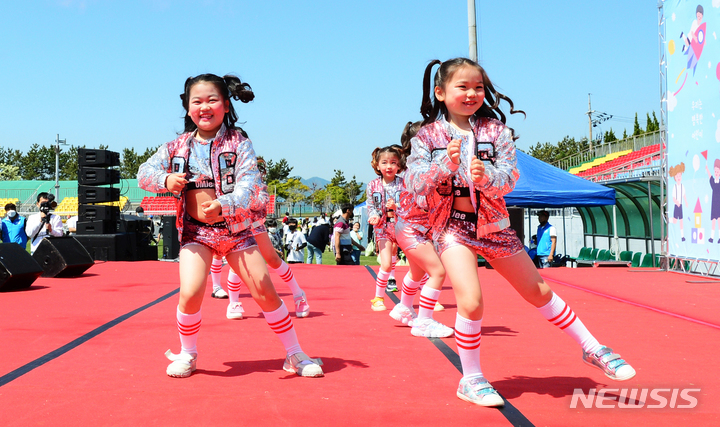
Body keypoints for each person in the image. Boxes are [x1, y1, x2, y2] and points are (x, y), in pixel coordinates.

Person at [405, 58, 634, 407]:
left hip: (495, 225)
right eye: (462, 87)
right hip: (452, 228)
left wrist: (487, 177)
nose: (472, 94)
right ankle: (471, 378)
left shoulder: (496, 132)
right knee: (471, 301)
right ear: (440, 92)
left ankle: (593, 348)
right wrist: (444, 165)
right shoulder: (427, 136)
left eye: (478, 87)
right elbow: (414, 184)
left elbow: (510, 178)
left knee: (538, 291)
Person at [137, 73, 322, 379]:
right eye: (197, 101)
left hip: (236, 231)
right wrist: (165, 179)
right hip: (196, 233)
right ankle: (188, 353)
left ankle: (294, 353)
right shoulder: (176, 146)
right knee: (190, 292)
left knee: (264, 289)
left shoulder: (239, 143)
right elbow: (144, 172)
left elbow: (251, 187)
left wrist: (224, 204)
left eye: (212, 100)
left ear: (225, 104)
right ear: (187, 107)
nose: (204, 107)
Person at [389, 121, 452, 337]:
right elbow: (425, 199)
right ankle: (424, 320)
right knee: (438, 272)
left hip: (409, 228)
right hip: (412, 230)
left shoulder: (414, 169)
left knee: (417, 272)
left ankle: (404, 307)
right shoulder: (420, 172)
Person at [366, 146, 405, 310]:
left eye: (393, 162)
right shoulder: (372, 185)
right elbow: (371, 206)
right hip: (383, 228)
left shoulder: (404, 183)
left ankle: (429, 297)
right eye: (384, 162)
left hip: (403, 226)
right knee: (386, 264)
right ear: (377, 165)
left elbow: (410, 205)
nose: (389, 166)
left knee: (418, 264)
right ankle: (378, 298)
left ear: (399, 165)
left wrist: (397, 207)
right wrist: (374, 216)